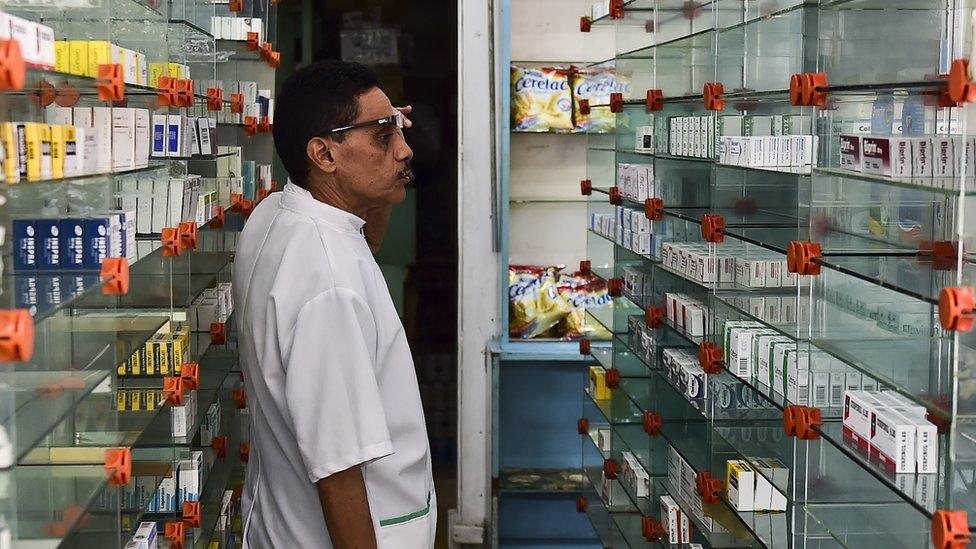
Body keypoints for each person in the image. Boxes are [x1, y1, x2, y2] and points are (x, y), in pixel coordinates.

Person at [232, 60, 435, 548]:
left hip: (279, 522)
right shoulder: (329, 285)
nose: (406, 149)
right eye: (385, 137)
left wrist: (387, 158)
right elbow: (338, 467)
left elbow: (365, 248)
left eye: (399, 128)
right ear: (324, 153)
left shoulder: (282, 213)